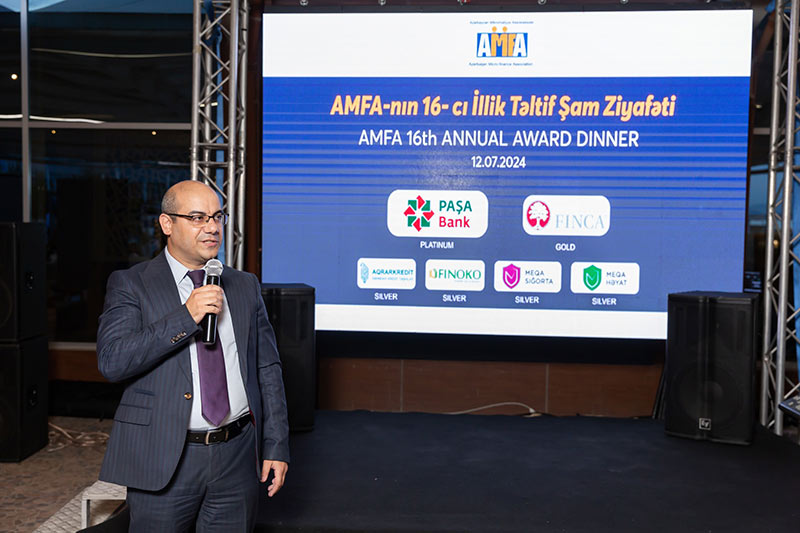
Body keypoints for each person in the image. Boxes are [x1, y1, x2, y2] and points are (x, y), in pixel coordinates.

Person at [96, 179, 289, 532]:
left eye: (217, 217)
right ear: (167, 224)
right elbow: (112, 361)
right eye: (198, 218)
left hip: (236, 455)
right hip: (164, 457)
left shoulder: (244, 285)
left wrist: (276, 444)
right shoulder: (132, 284)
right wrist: (187, 316)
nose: (212, 227)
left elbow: (268, 369)